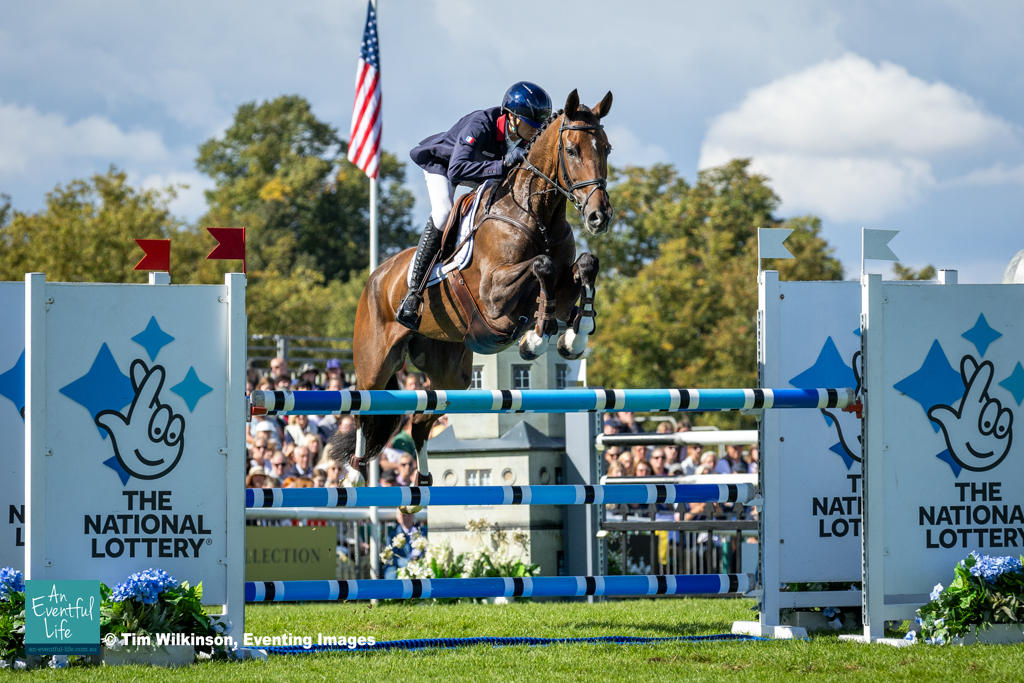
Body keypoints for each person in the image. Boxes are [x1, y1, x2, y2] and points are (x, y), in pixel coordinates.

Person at [397, 81, 553, 330]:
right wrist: (502, 165)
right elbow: (457, 170)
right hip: (445, 166)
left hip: (483, 172)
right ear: (511, 118)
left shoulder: (524, 137)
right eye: (531, 126)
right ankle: (412, 294)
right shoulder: (480, 124)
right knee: (444, 213)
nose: (535, 133)